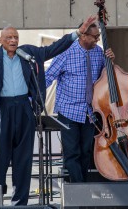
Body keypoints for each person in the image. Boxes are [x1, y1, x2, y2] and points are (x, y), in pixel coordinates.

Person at [0, 7, 96, 206]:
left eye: (16, 37)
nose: (13, 40)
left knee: (23, 160)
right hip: (2, 109)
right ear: (0, 40)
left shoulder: (29, 54)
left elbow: (54, 48)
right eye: (9, 37)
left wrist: (77, 33)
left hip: (24, 109)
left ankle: (20, 203)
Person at [45, 22, 115, 182]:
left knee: (86, 152)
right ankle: (78, 188)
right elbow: (48, 76)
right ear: (83, 35)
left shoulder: (99, 52)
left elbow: (108, 78)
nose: (98, 39)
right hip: (69, 111)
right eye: (95, 37)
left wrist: (110, 61)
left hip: (90, 112)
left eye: (99, 36)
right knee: (72, 152)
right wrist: (32, 96)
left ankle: (81, 186)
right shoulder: (65, 52)